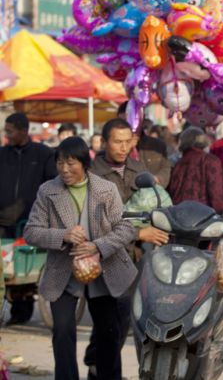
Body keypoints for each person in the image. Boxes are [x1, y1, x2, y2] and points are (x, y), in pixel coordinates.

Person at [23, 137, 137, 380]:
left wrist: (97, 246)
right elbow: (31, 231)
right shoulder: (48, 191)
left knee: (108, 332)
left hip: (105, 270)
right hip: (63, 272)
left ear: (85, 163)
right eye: (60, 163)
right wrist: (62, 235)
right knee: (62, 330)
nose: (64, 169)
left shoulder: (106, 190)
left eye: (71, 163)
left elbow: (125, 228)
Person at [84, 118, 167, 379]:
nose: (122, 147)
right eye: (116, 142)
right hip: (102, 258)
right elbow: (97, 223)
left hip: (132, 258)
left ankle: (97, 363)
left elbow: (153, 202)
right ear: (104, 142)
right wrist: (138, 231)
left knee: (120, 320)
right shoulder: (92, 175)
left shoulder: (138, 169)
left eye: (127, 141)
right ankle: (103, 367)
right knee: (111, 321)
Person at [0, 112, 57, 324]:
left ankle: (21, 313)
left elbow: (53, 183)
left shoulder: (43, 154)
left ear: (23, 131)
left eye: (10, 131)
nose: (6, 135)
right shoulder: (2, 154)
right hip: (3, 222)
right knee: (6, 270)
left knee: (26, 269)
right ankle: (13, 310)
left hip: (31, 221)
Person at [169, 127, 223, 213]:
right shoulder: (211, 161)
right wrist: (221, 212)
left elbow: (173, 191)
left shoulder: (178, 164)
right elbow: (216, 192)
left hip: (179, 215)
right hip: (203, 216)